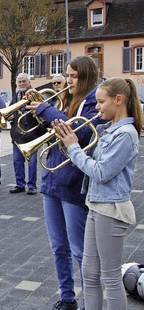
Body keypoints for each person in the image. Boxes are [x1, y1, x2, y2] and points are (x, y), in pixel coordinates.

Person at [54, 77, 142, 310]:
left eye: (102, 102)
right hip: (96, 204)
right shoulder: (109, 130)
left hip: (111, 209)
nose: (98, 107)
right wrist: (67, 139)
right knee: (89, 273)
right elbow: (92, 164)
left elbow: (101, 172)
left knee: (111, 277)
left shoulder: (125, 133)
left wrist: (73, 147)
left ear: (119, 100)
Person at [25, 55, 100, 310]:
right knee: (58, 247)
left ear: (87, 76)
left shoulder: (94, 104)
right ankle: (68, 298)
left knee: (79, 251)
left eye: (73, 77)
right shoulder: (65, 100)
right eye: (67, 76)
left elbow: (80, 133)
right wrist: (37, 114)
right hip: (52, 180)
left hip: (73, 182)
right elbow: (54, 129)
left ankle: (91, 302)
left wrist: (46, 109)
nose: (68, 81)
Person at [9, 73, 38, 195]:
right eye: (19, 82)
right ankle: (20, 184)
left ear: (29, 82)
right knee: (17, 161)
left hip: (32, 133)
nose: (21, 84)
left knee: (32, 163)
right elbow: (11, 110)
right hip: (18, 134)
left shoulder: (35, 95)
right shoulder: (16, 96)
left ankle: (32, 185)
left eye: (24, 81)